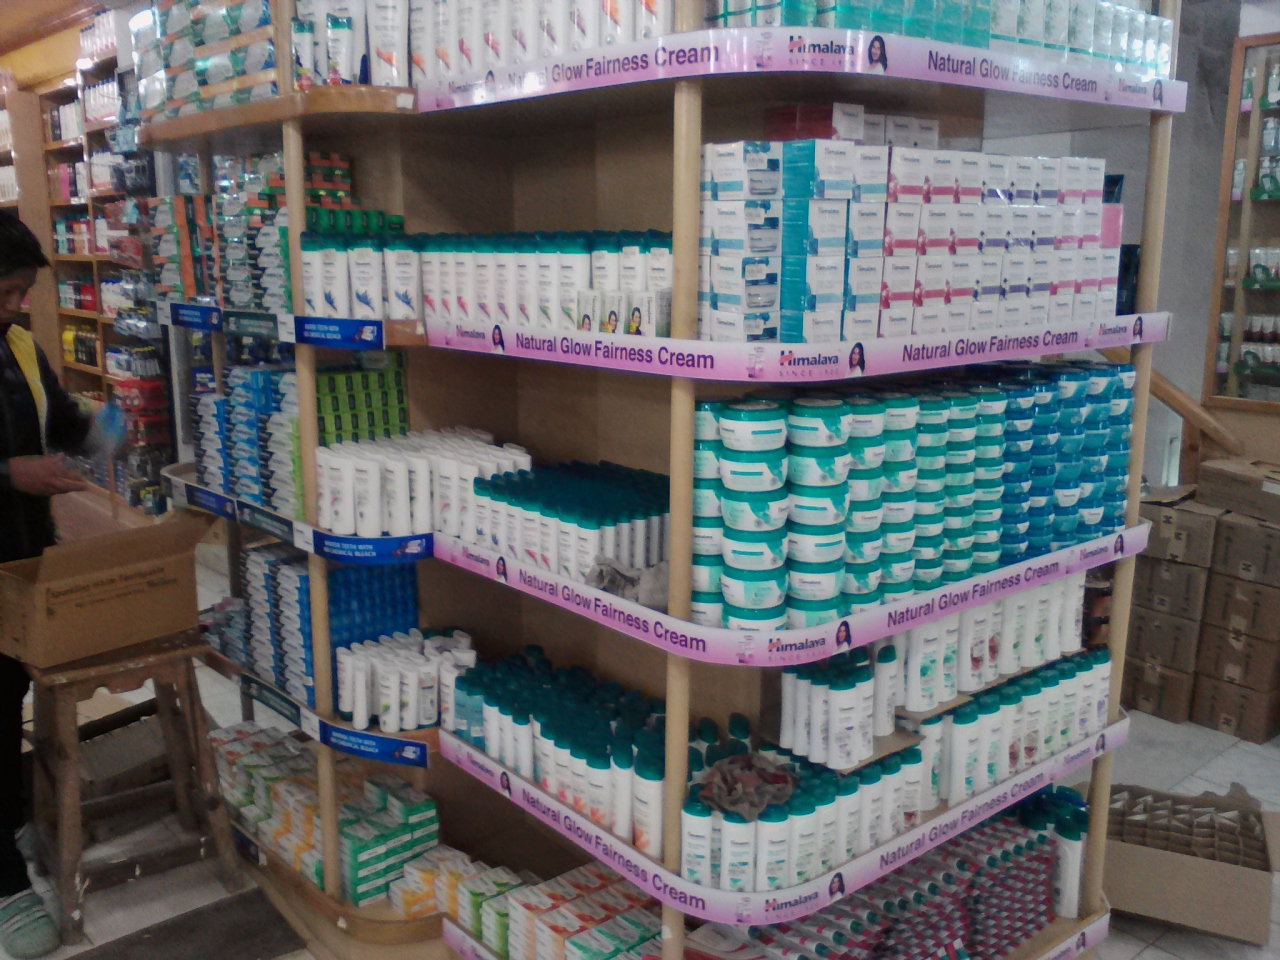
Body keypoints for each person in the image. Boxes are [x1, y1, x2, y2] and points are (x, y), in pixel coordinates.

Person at [0, 211, 125, 959]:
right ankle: (3, 885)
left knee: (10, 690)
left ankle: (13, 820)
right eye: (7, 291)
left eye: (23, 293)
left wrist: (102, 427)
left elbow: (58, 419)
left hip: (22, 557)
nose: (18, 306)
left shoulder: (18, 344)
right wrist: (8, 474)